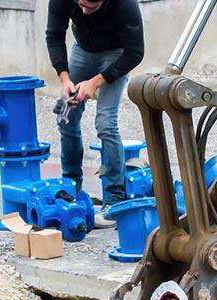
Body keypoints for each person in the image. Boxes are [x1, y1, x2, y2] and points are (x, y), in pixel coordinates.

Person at [45, 0, 144, 226]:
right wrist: (65, 79)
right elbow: (54, 35)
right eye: (80, 4)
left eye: (91, 7)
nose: (84, 11)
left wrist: (95, 82)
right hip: (83, 50)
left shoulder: (125, 4)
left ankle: (115, 200)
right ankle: (71, 188)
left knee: (106, 123)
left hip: (117, 54)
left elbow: (135, 53)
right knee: (66, 117)